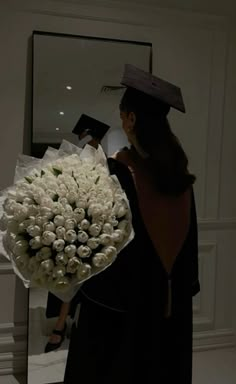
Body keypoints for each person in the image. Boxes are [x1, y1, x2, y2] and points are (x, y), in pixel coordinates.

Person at [64, 64, 200, 383]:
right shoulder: (181, 181)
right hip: (169, 322)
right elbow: (186, 266)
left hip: (119, 323)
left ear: (131, 119)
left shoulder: (115, 177)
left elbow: (95, 257)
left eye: (122, 115)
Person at [44, 115, 110, 353]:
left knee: (85, 275)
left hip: (96, 224)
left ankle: (68, 323)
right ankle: (63, 322)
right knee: (71, 273)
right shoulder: (79, 157)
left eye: (87, 136)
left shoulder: (103, 159)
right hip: (74, 221)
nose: (84, 140)